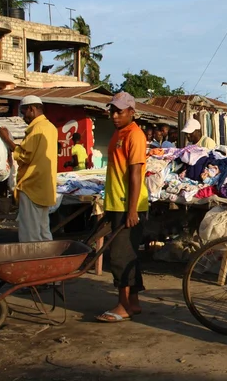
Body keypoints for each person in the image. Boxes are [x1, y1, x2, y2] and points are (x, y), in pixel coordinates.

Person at [96, 92, 149, 323]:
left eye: (119, 111)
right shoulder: (119, 134)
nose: (114, 115)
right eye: (112, 111)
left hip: (129, 204)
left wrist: (132, 210)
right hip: (116, 202)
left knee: (119, 256)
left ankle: (123, 305)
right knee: (129, 255)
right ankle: (133, 303)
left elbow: (136, 173)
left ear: (131, 112)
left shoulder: (135, 135)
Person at [0, 95, 57, 242]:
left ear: (31, 109)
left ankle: (34, 261)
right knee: (43, 231)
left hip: (32, 186)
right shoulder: (50, 127)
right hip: (44, 187)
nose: (23, 117)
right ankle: (47, 259)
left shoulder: (37, 129)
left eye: (24, 112)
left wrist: (6, 139)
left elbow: (24, 155)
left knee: (30, 234)